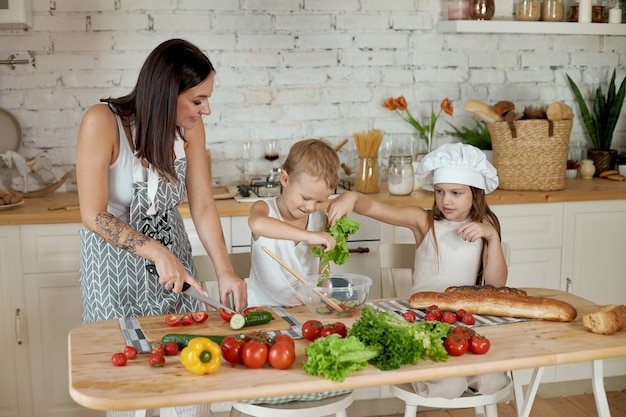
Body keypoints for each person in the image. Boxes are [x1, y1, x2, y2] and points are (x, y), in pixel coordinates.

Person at [76, 39, 247, 416]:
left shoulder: (190, 129)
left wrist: (225, 271)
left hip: (176, 264)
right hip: (112, 269)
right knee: (128, 389)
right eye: (198, 100)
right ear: (168, 94)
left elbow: (202, 204)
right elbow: (93, 214)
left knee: (188, 382)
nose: (207, 110)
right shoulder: (102, 122)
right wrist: (156, 251)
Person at [327, 142, 509, 398]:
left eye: (456, 193)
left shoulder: (485, 224)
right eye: (439, 191)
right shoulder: (422, 221)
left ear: (476, 193)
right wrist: (351, 197)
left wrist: (492, 237)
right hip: (424, 321)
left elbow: (496, 284)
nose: (446, 200)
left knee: (493, 381)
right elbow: (374, 208)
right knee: (449, 386)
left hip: (465, 321)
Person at [246, 138, 340, 307]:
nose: (311, 206)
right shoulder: (265, 210)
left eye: (320, 201)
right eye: (305, 197)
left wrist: (328, 295)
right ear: (285, 179)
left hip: (307, 310)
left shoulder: (320, 219)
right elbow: (257, 224)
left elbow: (323, 268)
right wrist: (308, 236)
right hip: (264, 311)